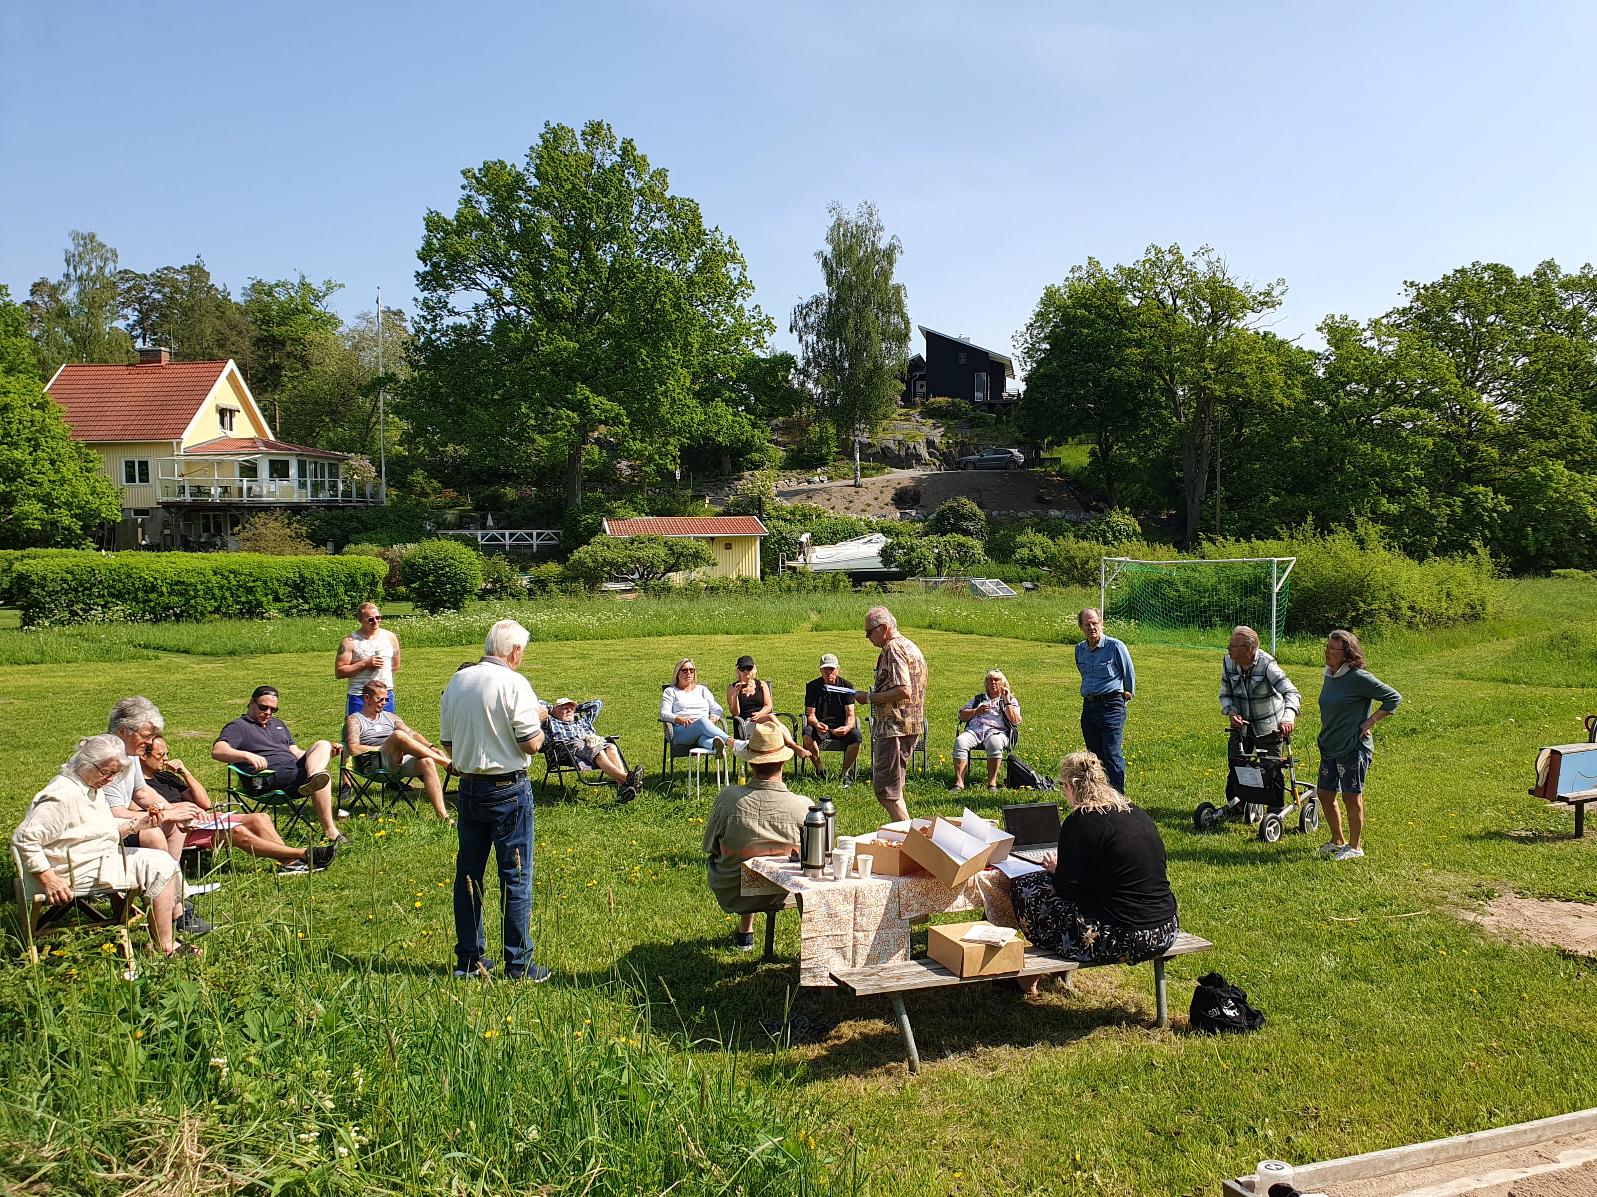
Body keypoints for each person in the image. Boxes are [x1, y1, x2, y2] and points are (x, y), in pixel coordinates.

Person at [983, 751, 1177, 995]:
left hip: (1120, 936)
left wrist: (1057, 871)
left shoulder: (1081, 820)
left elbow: (1067, 889)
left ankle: (1015, 968)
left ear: (1072, 786)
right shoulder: (1136, 813)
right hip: (1165, 928)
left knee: (1025, 886)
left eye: (1064, 787)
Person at [12, 734, 197, 957]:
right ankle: (166, 947)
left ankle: (168, 933)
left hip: (87, 860)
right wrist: (48, 878)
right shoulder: (62, 795)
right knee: (160, 866)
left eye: (115, 773)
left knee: (161, 861)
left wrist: (141, 822)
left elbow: (99, 828)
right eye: (106, 772)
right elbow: (24, 838)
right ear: (85, 764)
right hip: (67, 872)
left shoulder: (87, 786)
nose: (110, 780)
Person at [439, 619, 549, 982]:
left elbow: (449, 745)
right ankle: (518, 964)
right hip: (507, 788)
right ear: (514, 651)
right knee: (515, 875)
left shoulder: (458, 681)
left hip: (469, 787)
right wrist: (540, 718)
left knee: (469, 875)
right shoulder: (514, 683)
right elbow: (530, 743)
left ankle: (469, 960)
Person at [141, 735, 334, 875]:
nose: (166, 758)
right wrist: (180, 811)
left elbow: (205, 802)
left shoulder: (165, 776)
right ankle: (303, 854)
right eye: (160, 755)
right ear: (143, 756)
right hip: (179, 829)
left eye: (167, 753)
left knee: (260, 817)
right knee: (237, 831)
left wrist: (185, 773)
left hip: (201, 820)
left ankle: (289, 862)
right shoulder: (138, 786)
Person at [102, 697, 210, 936]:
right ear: (123, 731)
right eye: (146, 735)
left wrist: (178, 810)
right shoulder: (106, 758)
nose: (151, 742)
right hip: (104, 834)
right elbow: (114, 813)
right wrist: (169, 812)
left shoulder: (128, 755)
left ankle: (172, 900)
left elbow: (142, 792)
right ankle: (172, 908)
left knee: (175, 826)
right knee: (152, 834)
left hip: (122, 825)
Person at [702, 720, 813, 951]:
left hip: (733, 889)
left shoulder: (728, 799)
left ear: (750, 761)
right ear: (783, 760)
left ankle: (745, 933)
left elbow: (710, 846)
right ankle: (813, 945)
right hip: (782, 891)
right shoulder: (804, 807)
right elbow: (818, 860)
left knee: (745, 852)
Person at [212, 686, 344, 844]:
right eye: (263, 707)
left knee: (323, 744)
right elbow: (218, 751)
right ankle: (330, 832)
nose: (268, 713)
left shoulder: (278, 724)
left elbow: (295, 752)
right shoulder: (238, 726)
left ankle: (313, 776)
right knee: (325, 778)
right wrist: (246, 755)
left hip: (293, 771)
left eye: (273, 710)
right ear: (251, 703)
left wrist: (323, 754)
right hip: (267, 778)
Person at [1315, 629, 1401, 862]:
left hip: (1353, 747)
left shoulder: (1358, 678)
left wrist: (1371, 720)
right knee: (1324, 793)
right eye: (1327, 647)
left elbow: (1393, 697)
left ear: (1347, 653)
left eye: (1334, 649)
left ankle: (1355, 846)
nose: (1328, 652)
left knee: (1351, 796)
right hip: (1330, 745)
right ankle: (1337, 841)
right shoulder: (1329, 675)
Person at [344, 679, 454, 823]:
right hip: (373, 764)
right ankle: (446, 763)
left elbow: (413, 735)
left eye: (386, 699)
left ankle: (443, 817)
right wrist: (384, 748)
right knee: (398, 736)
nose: (384, 703)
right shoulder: (355, 720)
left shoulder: (390, 718)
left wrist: (431, 747)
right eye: (379, 699)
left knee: (426, 762)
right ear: (366, 698)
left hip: (397, 762)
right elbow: (353, 748)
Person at [856, 606, 927, 823]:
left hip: (894, 727)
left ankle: (911, 842)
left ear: (884, 628)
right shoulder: (909, 645)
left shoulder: (893, 648)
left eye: (869, 632)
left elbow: (904, 689)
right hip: (909, 724)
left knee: (887, 792)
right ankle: (910, 839)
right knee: (895, 789)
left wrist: (869, 698)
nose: (867, 637)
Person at [1074, 608, 1134, 794]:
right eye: (1087, 624)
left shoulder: (1115, 646)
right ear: (1081, 627)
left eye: (1095, 623)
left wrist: (1125, 697)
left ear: (1101, 623)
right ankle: (1100, 794)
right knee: (1094, 757)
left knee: (1112, 754)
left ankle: (1117, 798)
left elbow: (1128, 675)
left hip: (1112, 706)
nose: (1092, 627)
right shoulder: (1079, 649)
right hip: (1089, 706)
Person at [544, 696, 644, 799]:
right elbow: (538, 704)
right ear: (555, 711)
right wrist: (551, 709)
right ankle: (627, 778)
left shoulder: (583, 722)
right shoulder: (551, 721)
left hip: (590, 744)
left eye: (571, 708)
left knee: (611, 747)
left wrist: (576, 708)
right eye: (564, 707)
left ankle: (623, 787)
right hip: (568, 747)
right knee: (597, 750)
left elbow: (597, 703)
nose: (569, 710)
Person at [1219, 625, 1300, 741]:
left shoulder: (1267, 663)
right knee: (1235, 759)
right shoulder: (1228, 661)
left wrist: (1288, 718)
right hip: (1240, 727)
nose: (1228, 648)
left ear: (1248, 648)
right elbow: (1225, 693)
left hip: (1269, 728)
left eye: (1233, 646)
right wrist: (1231, 712)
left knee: (1271, 760)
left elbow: (1291, 692)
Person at [953, 669, 1022, 791]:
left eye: (996, 680)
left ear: (1003, 683)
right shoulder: (978, 699)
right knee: (960, 741)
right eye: (989, 680)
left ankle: (992, 783)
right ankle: (959, 783)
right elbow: (961, 715)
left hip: (997, 732)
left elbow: (1015, 721)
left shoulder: (1009, 699)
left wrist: (1006, 701)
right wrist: (976, 711)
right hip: (975, 731)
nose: (993, 683)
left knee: (995, 742)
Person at [802, 653, 861, 784]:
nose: (829, 672)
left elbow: (850, 714)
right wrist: (817, 725)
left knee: (856, 737)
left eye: (832, 669)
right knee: (807, 735)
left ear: (837, 669)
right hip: (820, 725)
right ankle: (820, 770)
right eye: (825, 669)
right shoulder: (813, 687)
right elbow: (810, 714)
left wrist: (847, 727)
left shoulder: (846, 686)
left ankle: (845, 773)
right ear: (820, 670)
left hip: (841, 725)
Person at [335, 601, 401, 715]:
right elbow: (339, 672)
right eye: (370, 619)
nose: (375, 622)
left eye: (378, 617)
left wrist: (380, 681)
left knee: (387, 729)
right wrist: (365, 664)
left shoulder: (390, 637)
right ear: (360, 620)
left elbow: (395, 665)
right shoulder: (350, 641)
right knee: (356, 729)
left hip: (385, 694)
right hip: (359, 694)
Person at [660, 658, 732, 755]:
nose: (688, 673)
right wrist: (679, 719)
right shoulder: (671, 691)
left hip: (703, 729)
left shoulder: (702, 690)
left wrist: (713, 719)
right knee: (702, 721)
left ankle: (717, 747)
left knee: (703, 737)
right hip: (681, 732)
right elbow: (664, 714)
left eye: (691, 670)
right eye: (685, 670)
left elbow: (717, 708)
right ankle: (733, 743)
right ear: (677, 673)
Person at [726, 655, 774, 738]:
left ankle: (791, 744)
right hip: (746, 724)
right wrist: (735, 695)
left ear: (754, 669)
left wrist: (759, 714)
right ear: (738, 671)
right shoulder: (732, 688)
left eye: (749, 668)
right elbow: (735, 713)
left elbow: (768, 706)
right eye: (742, 669)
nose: (746, 671)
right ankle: (791, 745)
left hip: (763, 720)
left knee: (771, 718)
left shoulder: (762, 685)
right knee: (771, 719)